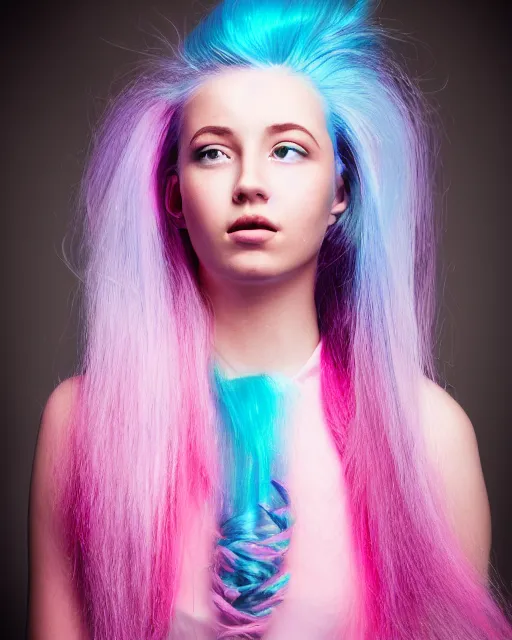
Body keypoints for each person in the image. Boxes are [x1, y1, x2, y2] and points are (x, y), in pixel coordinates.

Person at [28, 0, 512, 638]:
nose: (250, 183)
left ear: (341, 190)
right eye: (212, 153)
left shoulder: (429, 437)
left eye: (287, 150)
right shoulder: (82, 424)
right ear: (173, 196)